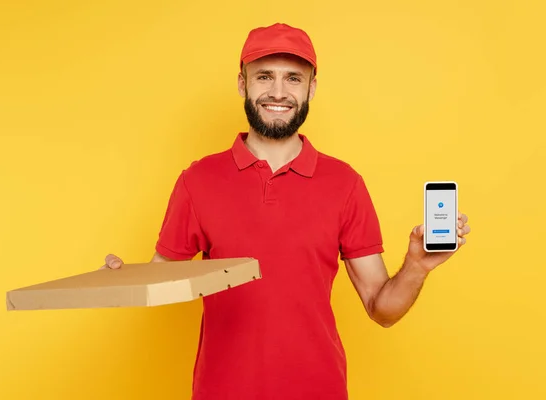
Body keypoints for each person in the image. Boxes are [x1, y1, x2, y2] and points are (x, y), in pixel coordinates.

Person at [102, 23, 470, 400]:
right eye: (264, 76)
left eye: (293, 78)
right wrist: (119, 280)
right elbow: (163, 282)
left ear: (311, 87)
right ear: (243, 84)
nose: (278, 92)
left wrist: (416, 265)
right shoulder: (197, 180)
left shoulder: (345, 184)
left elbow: (382, 310)